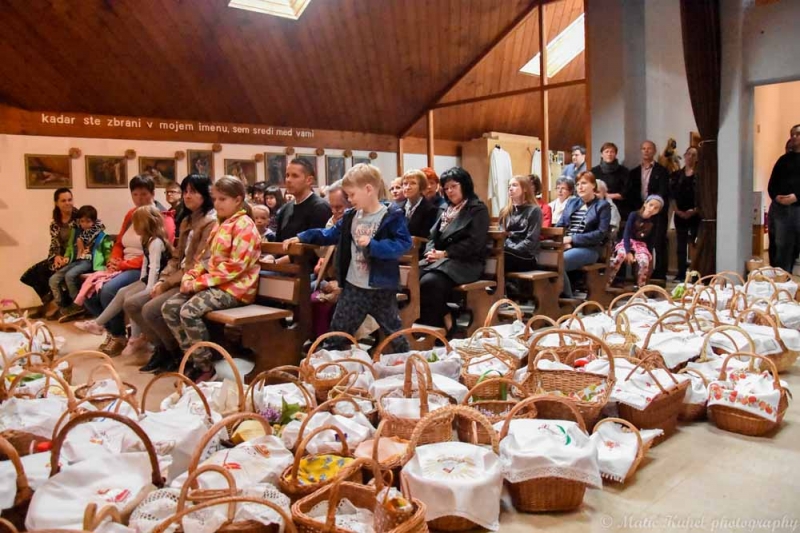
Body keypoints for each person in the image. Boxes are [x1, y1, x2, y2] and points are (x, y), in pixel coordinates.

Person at [285, 163, 412, 352]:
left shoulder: (391, 216)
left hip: (381, 288)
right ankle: (329, 362)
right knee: (338, 332)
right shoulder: (351, 216)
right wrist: (303, 236)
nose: (349, 199)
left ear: (368, 189)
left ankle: (409, 361)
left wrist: (373, 245)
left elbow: (403, 244)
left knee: (394, 332)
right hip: (354, 286)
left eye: (352, 194)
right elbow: (329, 234)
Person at [162, 176, 262, 382]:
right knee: (169, 307)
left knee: (189, 311)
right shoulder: (220, 224)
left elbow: (235, 267)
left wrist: (197, 283)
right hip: (217, 285)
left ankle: (206, 367)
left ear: (238, 199)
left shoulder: (245, 226)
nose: (217, 204)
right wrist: (191, 276)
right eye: (215, 199)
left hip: (236, 289)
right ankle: (192, 359)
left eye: (222, 199)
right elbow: (205, 259)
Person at [125, 174, 217, 374]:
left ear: (205, 194)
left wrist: (166, 284)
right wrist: (162, 279)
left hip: (192, 279)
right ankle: (162, 348)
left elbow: (197, 263)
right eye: (185, 191)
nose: (187, 196)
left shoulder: (210, 222)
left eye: (193, 191)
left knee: (151, 309)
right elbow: (176, 257)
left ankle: (175, 353)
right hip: (178, 276)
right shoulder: (186, 220)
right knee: (132, 304)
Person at [77, 175, 176, 353]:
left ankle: (118, 335)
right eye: (135, 194)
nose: (139, 198)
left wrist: (124, 265)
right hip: (125, 264)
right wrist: (113, 261)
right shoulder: (132, 215)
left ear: (153, 193)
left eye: (144, 194)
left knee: (109, 290)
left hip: (137, 267)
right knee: (90, 289)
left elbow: (154, 259)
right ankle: (107, 328)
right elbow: (119, 242)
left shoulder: (161, 218)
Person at [418, 167, 489, 331]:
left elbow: (475, 242)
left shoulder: (477, 209)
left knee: (430, 282)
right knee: (411, 277)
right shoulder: (445, 209)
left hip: (466, 262)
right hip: (440, 261)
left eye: (453, 186)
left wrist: (445, 253)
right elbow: (432, 236)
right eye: (446, 188)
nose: (449, 191)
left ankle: (442, 327)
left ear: (465, 185)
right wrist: (431, 252)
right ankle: (437, 321)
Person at [20, 187, 77, 314]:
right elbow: (54, 243)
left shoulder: (79, 218)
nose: (67, 203)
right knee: (32, 273)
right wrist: (56, 256)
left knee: (50, 271)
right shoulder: (55, 222)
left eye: (70, 200)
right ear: (56, 203)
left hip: (75, 256)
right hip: (60, 256)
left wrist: (67, 257)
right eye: (63, 201)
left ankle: (58, 304)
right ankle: (49, 302)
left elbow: (83, 241)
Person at [555, 172, 611, 298]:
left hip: (590, 249)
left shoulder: (602, 206)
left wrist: (572, 239)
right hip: (567, 246)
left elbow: (600, 234)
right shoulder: (572, 203)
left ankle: (567, 300)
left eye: (584, 183)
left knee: (558, 261)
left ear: (593, 185)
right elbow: (560, 226)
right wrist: (560, 241)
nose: (580, 187)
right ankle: (554, 297)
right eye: (578, 184)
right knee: (544, 258)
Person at [47, 205, 106, 320]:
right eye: (82, 221)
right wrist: (66, 257)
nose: (85, 224)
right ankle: (61, 306)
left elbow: (102, 250)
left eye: (88, 221)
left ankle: (77, 305)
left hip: (89, 261)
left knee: (70, 276)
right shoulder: (76, 231)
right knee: (53, 279)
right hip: (76, 260)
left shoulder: (97, 232)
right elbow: (70, 247)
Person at [626, 140, 670, 280]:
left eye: (649, 148)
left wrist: (653, 207)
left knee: (659, 241)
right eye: (643, 148)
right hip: (640, 212)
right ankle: (638, 274)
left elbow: (663, 192)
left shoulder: (662, 171)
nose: (646, 151)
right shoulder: (633, 172)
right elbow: (631, 193)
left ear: (654, 151)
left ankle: (660, 273)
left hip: (657, 212)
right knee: (639, 242)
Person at [606, 195, 664, 289]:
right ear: (645, 204)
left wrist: (649, 254)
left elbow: (652, 240)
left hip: (641, 245)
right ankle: (609, 281)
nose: (652, 209)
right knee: (620, 256)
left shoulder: (654, 221)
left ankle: (641, 286)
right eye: (651, 205)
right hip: (628, 242)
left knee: (644, 261)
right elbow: (627, 233)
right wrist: (628, 251)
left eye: (656, 208)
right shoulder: (634, 215)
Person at [767, 124, 800, 272]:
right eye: (792, 134)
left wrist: (796, 197)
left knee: (794, 246)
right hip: (780, 209)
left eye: (797, 134)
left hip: (797, 208)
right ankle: (780, 279)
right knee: (780, 246)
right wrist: (777, 197)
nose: (794, 137)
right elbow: (772, 184)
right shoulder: (783, 160)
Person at [274, 158, 332, 242]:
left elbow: (317, 245)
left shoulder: (320, 208)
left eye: (295, 176)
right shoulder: (285, 208)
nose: (288, 180)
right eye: (287, 175)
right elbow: (278, 242)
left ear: (309, 180)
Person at [499, 175, 542, 272]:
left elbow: (531, 240)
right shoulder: (505, 211)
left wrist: (513, 250)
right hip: (508, 252)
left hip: (526, 256)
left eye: (514, 185)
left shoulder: (534, 210)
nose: (510, 189)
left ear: (525, 189)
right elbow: (501, 235)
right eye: (509, 186)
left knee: (502, 254)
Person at [670, 146, 701, 281]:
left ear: (697, 158)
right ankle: (681, 273)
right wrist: (677, 211)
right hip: (679, 213)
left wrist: (694, 210)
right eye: (688, 154)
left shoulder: (700, 176)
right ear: (684, 156)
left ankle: (694, 273)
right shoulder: (677, 175)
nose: (690, 157)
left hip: (695, 214)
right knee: (681, 245)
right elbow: (672, 195)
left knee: (694, 244)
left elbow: (703, 196)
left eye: (694, 155)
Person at [590, 142, 629, 220]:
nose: (609, 154)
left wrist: (609, 196)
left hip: (619, 207)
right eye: (606, 151)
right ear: (602, 154)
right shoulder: (594, 171)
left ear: (615, 154)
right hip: (597, 207)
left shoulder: (624, 171)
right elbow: (590, 189)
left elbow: (627, 191)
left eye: (612, 152)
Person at [401, 169, 440, 242]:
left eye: (413, 183)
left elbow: (429, 239)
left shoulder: (430, 210)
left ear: (421, 187)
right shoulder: (398, 208)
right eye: (405, 183)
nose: (407, 187)